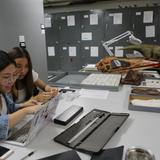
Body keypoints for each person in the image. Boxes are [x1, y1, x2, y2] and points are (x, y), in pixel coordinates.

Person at [0, 50, 41, 140]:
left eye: (14, 75)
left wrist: (23, 105)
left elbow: (10, 107)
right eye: (6, 77)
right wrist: (25, 111)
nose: (11, 81)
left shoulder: (3, 93)